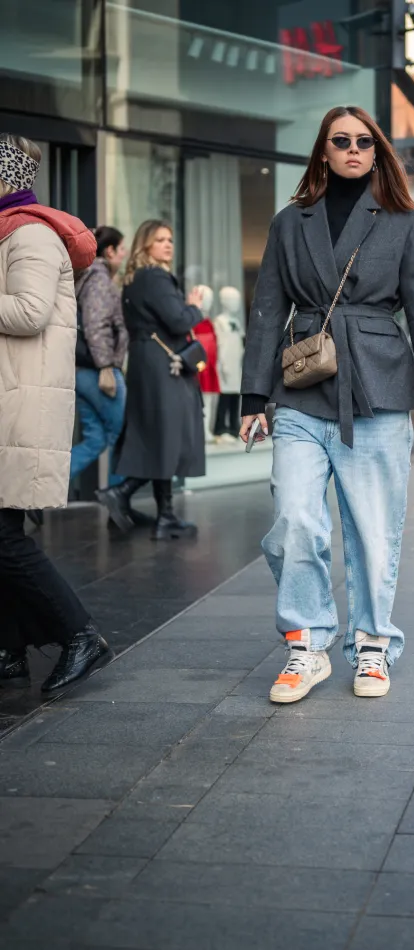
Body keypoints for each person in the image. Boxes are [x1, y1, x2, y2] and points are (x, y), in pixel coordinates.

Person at [239, 105, 414, 704]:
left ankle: (372, 646)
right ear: (323, 151)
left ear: (377, 152)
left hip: (380, 386)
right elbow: (267, 311)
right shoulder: (290, 222)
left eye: (365, 142)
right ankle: (306, 644)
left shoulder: (405, 221)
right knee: (294, 519)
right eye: (341, 140)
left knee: (374, 530)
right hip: (303, 387)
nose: (354, 149)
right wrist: (254, 396)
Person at [0, 132, 112, 693]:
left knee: (2, 537)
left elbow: (27, 310)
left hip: (19, 405)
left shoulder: (30, 235)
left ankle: (79, 634)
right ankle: (10, 648)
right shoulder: (9, 233)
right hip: (10, 400)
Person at [96, 220, 205, 539]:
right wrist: (195, 308)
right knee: (169, 435)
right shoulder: (155, 277)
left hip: (145, 361)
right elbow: (179, 320)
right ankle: (122, 493)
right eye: (160, 240)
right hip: (163, 365)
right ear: (146, 245)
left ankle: (165, 515)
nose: (168, 244)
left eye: (170, 239)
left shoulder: (133, 279)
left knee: (158, 436)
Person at [70, 226, 129, 485]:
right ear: (110, 250)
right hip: (98, 372)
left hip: (81, 371)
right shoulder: (99, 279)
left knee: (96, 439)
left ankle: (37, 493)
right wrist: (106, 367)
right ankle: (118, 499)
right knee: (122, 434)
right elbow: (96, 324)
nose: (124, 254)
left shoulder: (84, 277)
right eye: (121, 249)